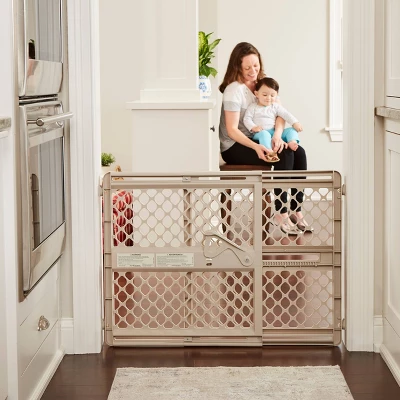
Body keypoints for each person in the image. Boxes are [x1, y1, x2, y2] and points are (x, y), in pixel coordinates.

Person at [219, 42, 312, 234]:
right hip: (236, 145)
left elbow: (280, 113)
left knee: (298, 152)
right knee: (284, 154)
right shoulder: (234, 90)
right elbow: (232, 130)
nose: (253, 71)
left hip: (263, 136)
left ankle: (296, 209)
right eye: (247, 67)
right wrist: (256, 147)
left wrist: (277, 136)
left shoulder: (265, 84)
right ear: (238, 67)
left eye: (256, 65)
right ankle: (281, 212)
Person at [243, 77, 303, 160]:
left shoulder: (275, 106)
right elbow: (247, 119)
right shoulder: (253, 107)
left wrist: (295, 123)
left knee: (291, 130)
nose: (268, 98)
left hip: (274, 132)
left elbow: (286, 114)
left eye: (272, 95)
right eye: (265, 95)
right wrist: (253, 127)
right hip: (260, 133)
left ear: (276, 95)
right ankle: (269, 152)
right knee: (265, 134)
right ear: (257, 94)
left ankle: (292, 142)